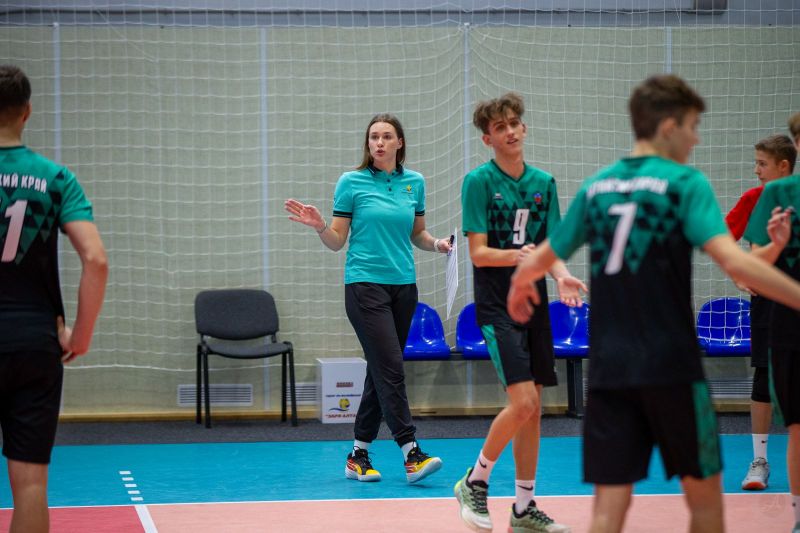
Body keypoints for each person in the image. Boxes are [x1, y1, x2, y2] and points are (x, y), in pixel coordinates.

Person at [506, 74, 800, 533]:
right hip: (672, 367)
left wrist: (521, 281)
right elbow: (736, 264)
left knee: (608, 511)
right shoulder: (684, 183)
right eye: (692, 127)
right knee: (705, 505)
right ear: (668, 126)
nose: (696, 139)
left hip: (609, 370)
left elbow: (544, 255)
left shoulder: (598, 186)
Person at [284, 113, 449, 484]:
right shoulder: (351, 182)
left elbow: (417, 234)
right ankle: (411, 452)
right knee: (391, 367)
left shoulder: (415, 183)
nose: (379, 142)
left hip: (403, 287)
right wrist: (320, 226)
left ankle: (358, 455)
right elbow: (336, 241)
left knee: (380, 370)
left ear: (399, 142)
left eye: (387, 136)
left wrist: (438, 244)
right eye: (374, 137)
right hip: (364, 286)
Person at [454, 92, 585, 533]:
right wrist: (519, 256)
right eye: (500, 127)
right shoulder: (478, 182)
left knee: (534, 410)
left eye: (514, 123)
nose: (510, 131)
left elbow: (551, 247)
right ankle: (475, 481)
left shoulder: (544, 182)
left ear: (524, 128)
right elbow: (478, 253)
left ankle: (524, 508)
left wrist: (562, 276)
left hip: (535, 305)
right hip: (497, 305)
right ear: (487, 139)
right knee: (523, 401)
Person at [0, 65, 108, 533]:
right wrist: (79, 336)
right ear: (27, 112)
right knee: (29, 485)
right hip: (34, 342)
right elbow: (96, 260)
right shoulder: (56, 178)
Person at [725, 134, 796, 491]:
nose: (756, 170)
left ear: (784, 165)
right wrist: (738, 274)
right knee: (765, 378)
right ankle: (759, 461)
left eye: (762, 164)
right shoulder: (754, 199)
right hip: (768, 301)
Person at [744, 175, 800, 533]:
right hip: (786, 324)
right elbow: (751, 264)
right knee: (798, 427)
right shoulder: (775, 196)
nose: (757, 169)